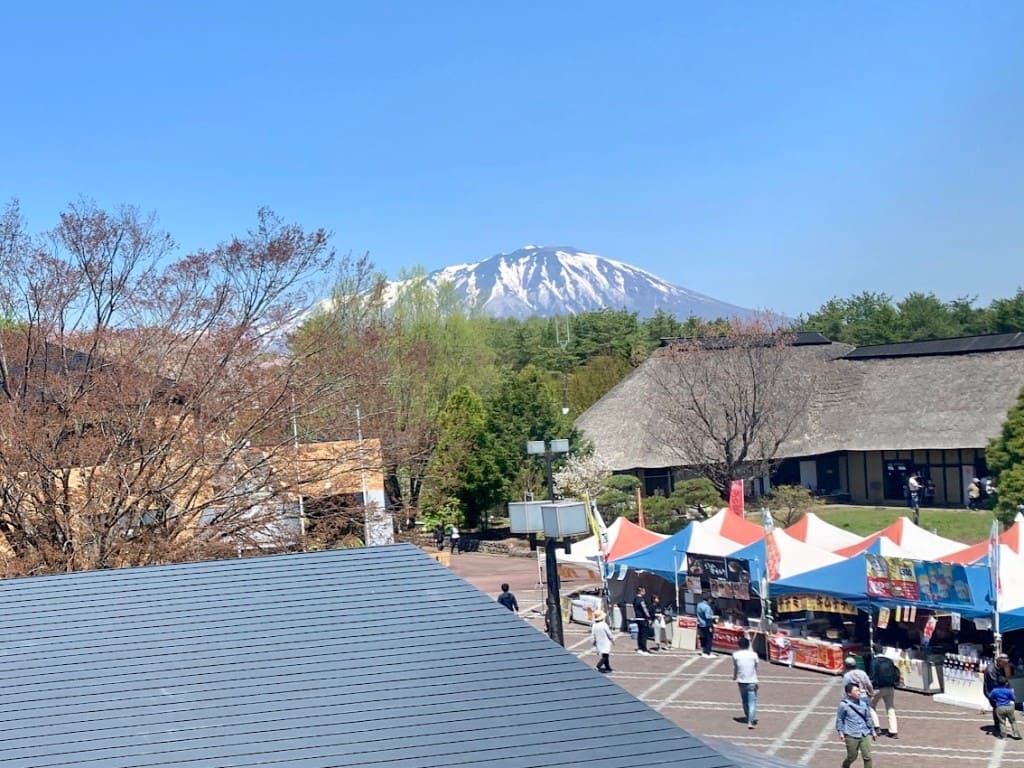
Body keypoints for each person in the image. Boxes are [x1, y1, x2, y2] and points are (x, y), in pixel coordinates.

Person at [836, 681, 875, 768]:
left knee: (867, 757)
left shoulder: (863, 704)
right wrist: (841, 732)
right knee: (852, 756)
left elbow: (868, 718)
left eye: (859, 690)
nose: (859, 692)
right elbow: (840, 719)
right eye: (856, 691)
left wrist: (872, 731)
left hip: (865, 733)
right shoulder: (844, 705)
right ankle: (845, 766)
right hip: (851, 734)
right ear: (849, 693)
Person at [868, 648, 900, 738]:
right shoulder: (889, 661)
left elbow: (872, 676)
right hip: (890, 687)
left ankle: (876, 726)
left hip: (878, 688)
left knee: (871, 706)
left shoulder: (874, 661)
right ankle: (894, 731)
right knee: (890, 708)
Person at [841, 656, 878, 733]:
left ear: (846, 665)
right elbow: (869, 684)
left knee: (855, 714)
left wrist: (844, 700)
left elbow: (845, 689)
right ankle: (871, 729)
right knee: (867, 713)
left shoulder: (847, 676)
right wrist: (871, 692)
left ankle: (859, 730)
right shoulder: (862, 673)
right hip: (864, 695)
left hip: (854, 698)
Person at [732, 635, 759, 728]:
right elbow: (756, 666)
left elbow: (735, 667)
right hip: (752, 680)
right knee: (752, 702)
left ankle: (748, 716)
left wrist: (734, 676)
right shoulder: (754, 655)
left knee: (745, 700)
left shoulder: (735, 655)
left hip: (741, 681)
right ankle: (750, 721)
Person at [984, 653, 1015, 732]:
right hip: (992, 691)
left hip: (1001, 689)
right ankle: (998, 727)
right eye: (1004, 663)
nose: (1006, 665)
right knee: (997, 707)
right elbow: (995, 684)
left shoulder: (1003, 667)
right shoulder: (990, 670)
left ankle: (1001, 725)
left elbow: (1008, 676)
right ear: (999, 662)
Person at [988, 675, 1021, 739]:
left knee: (1002, 722)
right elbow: (1014, 699)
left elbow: (990, 697)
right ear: (1006, 683)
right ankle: (1016, 734)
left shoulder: (995, 690)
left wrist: (996, 700)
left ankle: (1003, 735)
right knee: (1013, 721)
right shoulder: (1009, 691)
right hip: (1009, 707)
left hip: (1000, 707)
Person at [633, 586, 654, 655]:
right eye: (643, 591)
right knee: (644, 634)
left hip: (637, 618)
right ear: (640, 591)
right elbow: (644, 609)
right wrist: (649, 618)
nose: (645, 592)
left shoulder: (635, 599)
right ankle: (644, 648)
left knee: (640, 634)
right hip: (642, 619)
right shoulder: (641, 600)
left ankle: (640, 647)